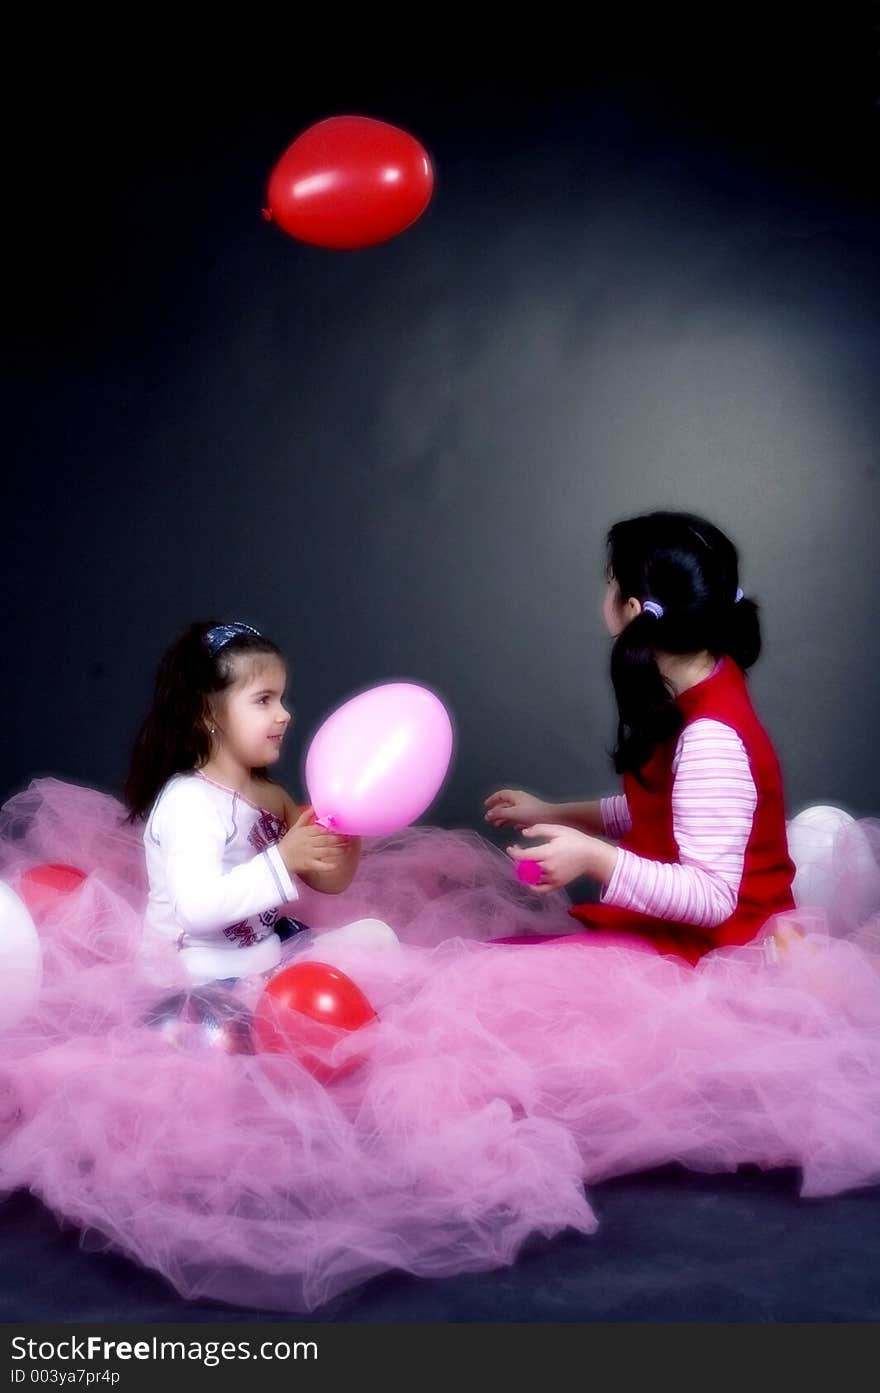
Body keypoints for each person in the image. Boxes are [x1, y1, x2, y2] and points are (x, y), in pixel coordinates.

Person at [487, 511, 797, 964]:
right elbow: (661, 811)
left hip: (714, 956)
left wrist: (596, 859)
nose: (606, 595)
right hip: (676, 937)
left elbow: (713, 896)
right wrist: (552, 812)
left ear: (632, 610)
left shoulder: (711, 737)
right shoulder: (700, 686)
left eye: (611, 582)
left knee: (500, 979)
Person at [123, 618, 397, 986]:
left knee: (375, 938)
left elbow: (329, 880)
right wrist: (283, 858)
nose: (283, 714)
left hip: (265, 952)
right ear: (208, 714)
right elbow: (196, 909)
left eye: (281, 698)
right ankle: (262, 998)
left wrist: (351, 826)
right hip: (198, 971)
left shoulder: (271, 796)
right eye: (263, 700)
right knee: (277, 1007)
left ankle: (276, 984)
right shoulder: (189, 800)